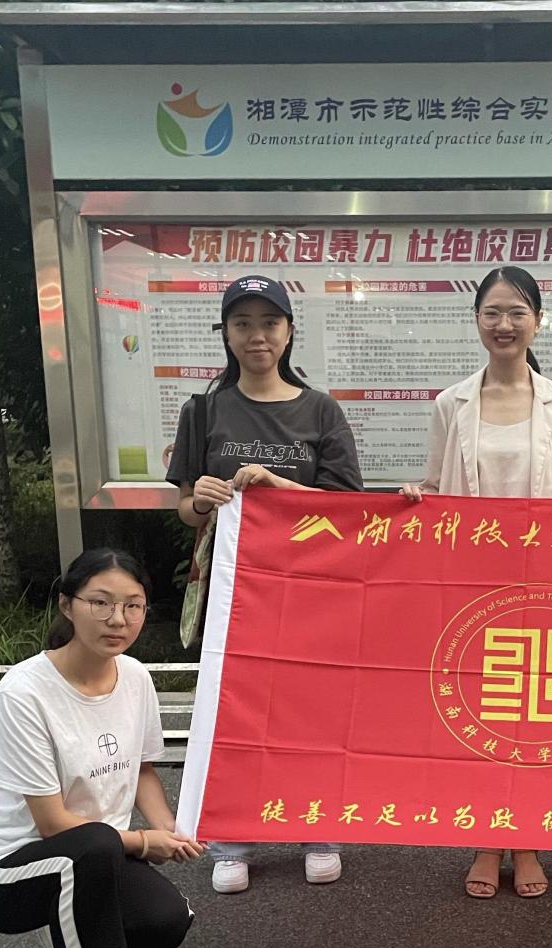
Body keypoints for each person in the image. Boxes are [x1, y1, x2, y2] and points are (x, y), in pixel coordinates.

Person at [402, 265, 552, 898]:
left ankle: (528, 839)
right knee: (482, 712)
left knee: (534, 715)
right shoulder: (451, 403)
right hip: (474, 585)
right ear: (476, 321)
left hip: (546, 584)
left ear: (537, 321)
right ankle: (488, 838)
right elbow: (436, 486)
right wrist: (417, 496)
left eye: (517, 312)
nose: (504, 324)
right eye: (492, 312)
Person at [167, 274, 363, 894]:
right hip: (235, 596)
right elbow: (185, 509)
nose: (257, 336)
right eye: (243, 323)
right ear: (226, 334)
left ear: (289, 331)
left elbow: (347, 509)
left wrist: (282, 488)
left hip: (311, 591)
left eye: (269, 323)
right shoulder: (203, 410)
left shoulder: (321, 410)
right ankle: (232, 839)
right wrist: (200, 499)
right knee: (237, 710)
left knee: (312, 710)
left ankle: (318, 828)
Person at [0, 549, 199, 948]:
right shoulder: (22, 694)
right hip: (8, 870)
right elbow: (52, 823)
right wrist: (145, 843)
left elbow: (141, 769)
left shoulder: (136, 678)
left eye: (133, 606)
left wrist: (167, 828)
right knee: (95, 845)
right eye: (101, 603)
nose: (118, 619)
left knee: (167, 918)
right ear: (67, 605)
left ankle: (70, 940)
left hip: (99, 858)